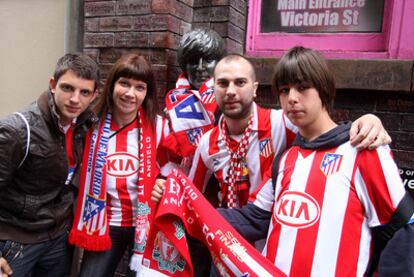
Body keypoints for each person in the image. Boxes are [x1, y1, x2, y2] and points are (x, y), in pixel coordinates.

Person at [153, 53, 392, 275]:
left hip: (268, 249)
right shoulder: (207, 143)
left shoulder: (283, 122)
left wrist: (367, 122)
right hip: (228, 245)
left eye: (240, 82)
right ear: (212, 90)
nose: (231, 91)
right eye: (223, 84)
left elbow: (323, 130)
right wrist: (171, 196)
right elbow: (194, 196)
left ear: (255, 88)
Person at [218, 46, 410, 276]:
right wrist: (187, 202)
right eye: (284, 90)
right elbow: (253, 218)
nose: (292, 98)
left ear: (323, 89)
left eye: (302, 87)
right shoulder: (285, 159)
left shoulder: (364, 150)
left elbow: (403, 230)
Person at [69, 54, 175, 277]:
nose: (130, 93)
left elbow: (174, 171)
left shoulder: (159, 126)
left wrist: (162, 183)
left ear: (146, 93)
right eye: (124, 83)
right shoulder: (90, 126)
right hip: (104, 224)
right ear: (112, 85)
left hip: (146, 224)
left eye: (139, 87)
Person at [0, 53, 99, 276]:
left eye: (84, 92)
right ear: (53, 85)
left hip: (58, 239)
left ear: (94, 95)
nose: (75, 99)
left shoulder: (84, 126)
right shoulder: (17, 129)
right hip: (17, 240)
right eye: (67, 88)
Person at [164, 28, 226, 172]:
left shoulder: (228, 104)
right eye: (193, 61)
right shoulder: (174, 102)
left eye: (208, 60)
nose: (200, 67)